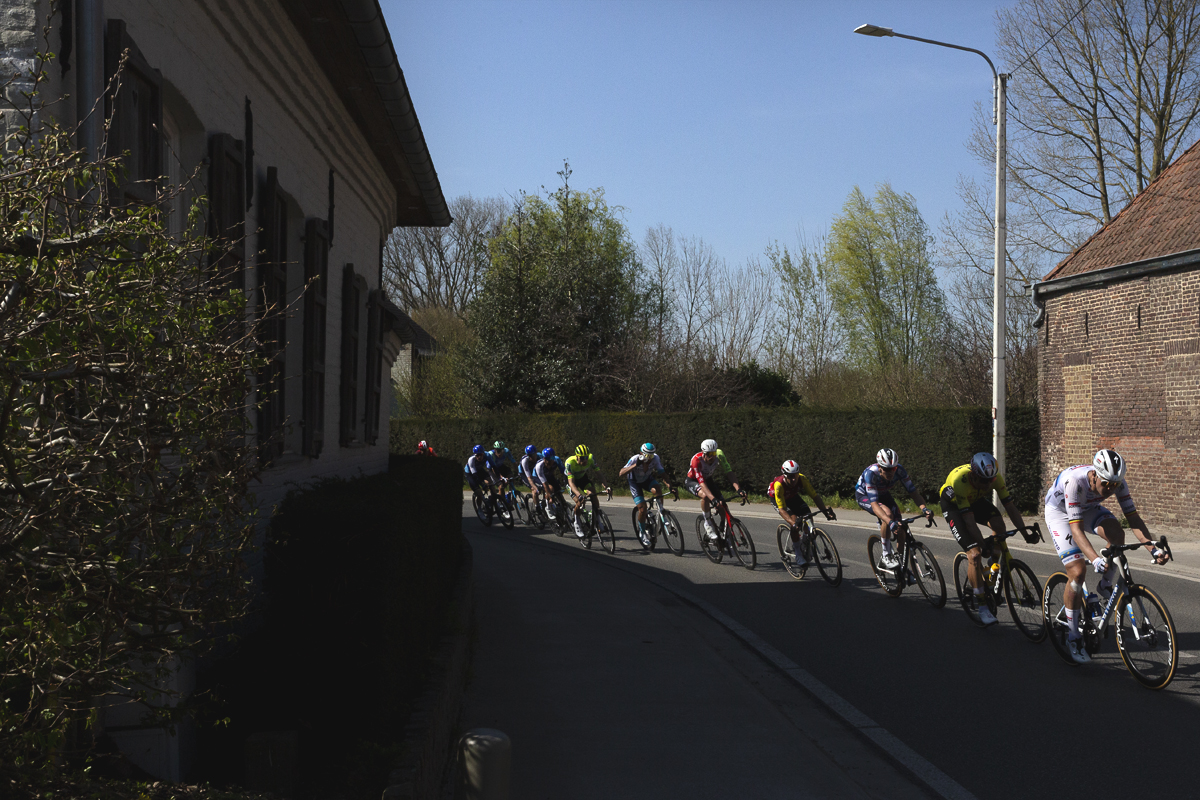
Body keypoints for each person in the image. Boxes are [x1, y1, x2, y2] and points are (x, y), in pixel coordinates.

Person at [1044, 448, 1168, 664]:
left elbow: (1133, 519)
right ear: (1094, 474)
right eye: (1106, 484)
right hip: (1061, 513)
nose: (1110, 490)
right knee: (1078, 570)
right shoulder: (1075, 482)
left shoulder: (1117, 482)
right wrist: (1094, 558)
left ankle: (1104, 585)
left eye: (1114, 485)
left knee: (1117, 534)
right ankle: (1074, 638)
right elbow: (1076, 530)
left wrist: (1153, 548)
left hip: (1088, 507)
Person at [939, 453, 1032, 627]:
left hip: (975, 500)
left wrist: (1024, 533)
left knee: (1000, 527)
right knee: (974, 554)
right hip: (954, 506)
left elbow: (1010, 507)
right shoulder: (960, 481)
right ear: (973, 475)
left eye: (991, 481)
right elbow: (969, 521)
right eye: (984, 481)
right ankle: (982, 607)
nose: (988, 484)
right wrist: (982, 545)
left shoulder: (993, 478)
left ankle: (991, 567)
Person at [855, 447, 934, 570]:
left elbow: (913, 492)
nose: (891, 472)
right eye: (887, 469)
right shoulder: (871, 474)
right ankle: (886, 556)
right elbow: (875, 505)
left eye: (893, 469)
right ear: (880, 467)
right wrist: (889, 522)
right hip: (864, 495)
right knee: (887, 515)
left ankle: (901, 566)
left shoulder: (900, 471)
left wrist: (924, 509)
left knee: (900, 526)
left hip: (882, 493)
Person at [769, 460, 836, 568]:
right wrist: (793, 523)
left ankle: (805, 540)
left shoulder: (802, 479)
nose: (794, 479)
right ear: (785, 476)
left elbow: (815, 497)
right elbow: (782, 510)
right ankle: (798, 554)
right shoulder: (779, 485)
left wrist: (825, 513)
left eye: (795, 475)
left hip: (792, 497)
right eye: (791, 477)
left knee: (808, 516)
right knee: (795, 523)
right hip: (779, 499)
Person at [685, 439, 746, 541]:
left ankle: (723, 527)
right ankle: (708, 523)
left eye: (713, 453)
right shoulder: (696, 460)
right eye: (709, 454)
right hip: (693, 481)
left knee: (723, 506)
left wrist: (739, 489)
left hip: (708, 480)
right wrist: (713, 499)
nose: (712, 457)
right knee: (705, 496)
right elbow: (701, 483)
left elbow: (729, 472)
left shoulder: (720, 455)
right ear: (703, 453)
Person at [619, 442, 671, 542]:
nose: (650, 458)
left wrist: (670, 486)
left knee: (658, 489)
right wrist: (635, 465)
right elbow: (621, 473)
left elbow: (662, 473)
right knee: (642, 509)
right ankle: (642, 532)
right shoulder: (635, 458)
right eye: (647, 455)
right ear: (641, 453)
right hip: (635, 482)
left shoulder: (656, 458)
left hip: (646, 479)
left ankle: (662, 513)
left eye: (651, 455)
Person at [564, 444, 611, 539]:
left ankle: (598, 521)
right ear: (577, 456)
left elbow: (599, 474)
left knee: (593, 493)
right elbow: (571, 483)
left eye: (586, 457)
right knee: (580, 501)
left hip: (582, 479)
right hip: (571, 481)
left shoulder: (591, 458)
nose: (585, 460)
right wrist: (579, 494)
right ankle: (577, 523)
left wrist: (606, 486)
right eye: (582, 458)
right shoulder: (569, 462)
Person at [534, 447, 566, 520]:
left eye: (552, 459)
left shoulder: (557, 460)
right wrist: (549, 495)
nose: (551, 462)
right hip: (537, 478)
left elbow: (564, 473)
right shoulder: (539, 466)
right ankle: (548, 508)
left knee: (559, 492)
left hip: (549, 476)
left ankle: (562, 509)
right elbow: (544, 483)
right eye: (548, 460)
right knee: (550, 489)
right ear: (544, 458)